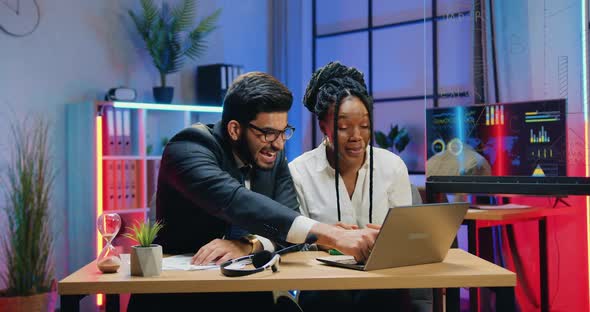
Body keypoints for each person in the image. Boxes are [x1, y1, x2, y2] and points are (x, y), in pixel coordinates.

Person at [128, 72, 379, 311]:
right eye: (268, 133)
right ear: (235, 129)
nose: (279, 144)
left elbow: (288, 227)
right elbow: (236, 201)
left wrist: (249, 244)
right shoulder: (188, 148)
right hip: (181, 296)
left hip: (245, 292)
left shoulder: (271, 157)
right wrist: (331, 234)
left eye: (283, 132)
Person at [288, 61, 414, 311]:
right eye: (344, 127)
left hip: (381, 282)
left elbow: (409, 239)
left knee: (382, 297)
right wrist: (324, 240)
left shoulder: (392, 166)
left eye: (365, 126)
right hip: (323, 286)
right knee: (331, 299)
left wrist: (392, 238)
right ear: (323, 126)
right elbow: (291, 245)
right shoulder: (299, 172)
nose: (357, 135)